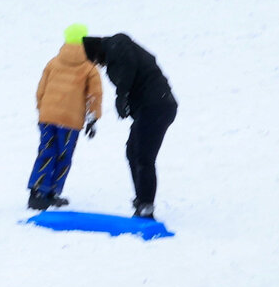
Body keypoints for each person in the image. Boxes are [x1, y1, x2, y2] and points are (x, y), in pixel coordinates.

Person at [82, 32, 177, 219]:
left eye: (94, 60)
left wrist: (122, 95)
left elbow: (129, 66)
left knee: (143, 156)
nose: (97, 65)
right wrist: (127, 105)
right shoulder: (113, 57)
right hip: (150, 107)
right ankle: (142, 200)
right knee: (132, 152)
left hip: (157, 105)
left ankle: (146, 205)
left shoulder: (118, 44)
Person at [28, 24, 102, 210]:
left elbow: (41, 90)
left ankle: (38, 192)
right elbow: (94, 95)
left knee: (46, 151)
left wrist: (43, 110)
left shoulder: (53, 62)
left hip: (47, 117)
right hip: (70, 122)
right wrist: (92, 119)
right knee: (63, 155)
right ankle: (52, 192)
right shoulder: (89, 67)